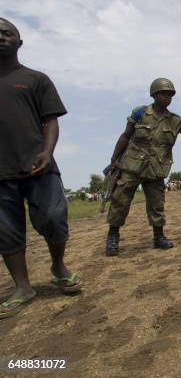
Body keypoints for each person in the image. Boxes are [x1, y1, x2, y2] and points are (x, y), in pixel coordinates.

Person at [0, 18, 81, 319]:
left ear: (19, 43)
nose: (1, 36)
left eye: (7, 33)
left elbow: (50, 120)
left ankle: (58, 266)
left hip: (38, 164)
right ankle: (22, 287)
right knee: (5, 231)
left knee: (53, 217)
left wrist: (47, 151)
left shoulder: (35, 79)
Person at [104, 78, 181, 256]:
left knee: (157, 204)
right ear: (154, 94)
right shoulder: (140, 113)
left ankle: (158, 237)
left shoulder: (174, 121)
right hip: (132, 166)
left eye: (170, 94)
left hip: (156, 169)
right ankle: (113, 237)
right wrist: (114, 160)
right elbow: (125, 136)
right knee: (120, 201)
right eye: (163, 93)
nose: (167, 97)